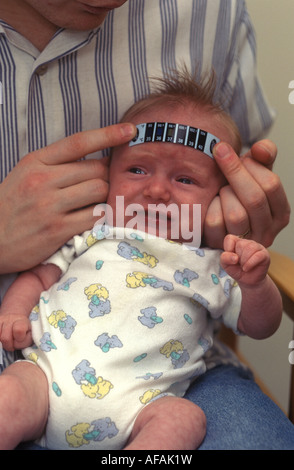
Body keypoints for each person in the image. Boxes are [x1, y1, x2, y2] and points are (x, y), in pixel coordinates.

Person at [0, 0, 292, 449]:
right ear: (108, 171)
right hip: (46, 374)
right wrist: (14, 313)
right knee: (8, 398)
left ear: (220, 193)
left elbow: (260, 324)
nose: (156, 191)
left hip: (148, 401)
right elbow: (42, 274)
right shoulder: (98, 230)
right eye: (138, 170)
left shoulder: (212, 262)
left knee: (183, 420)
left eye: (185, 179)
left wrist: (254, 283)